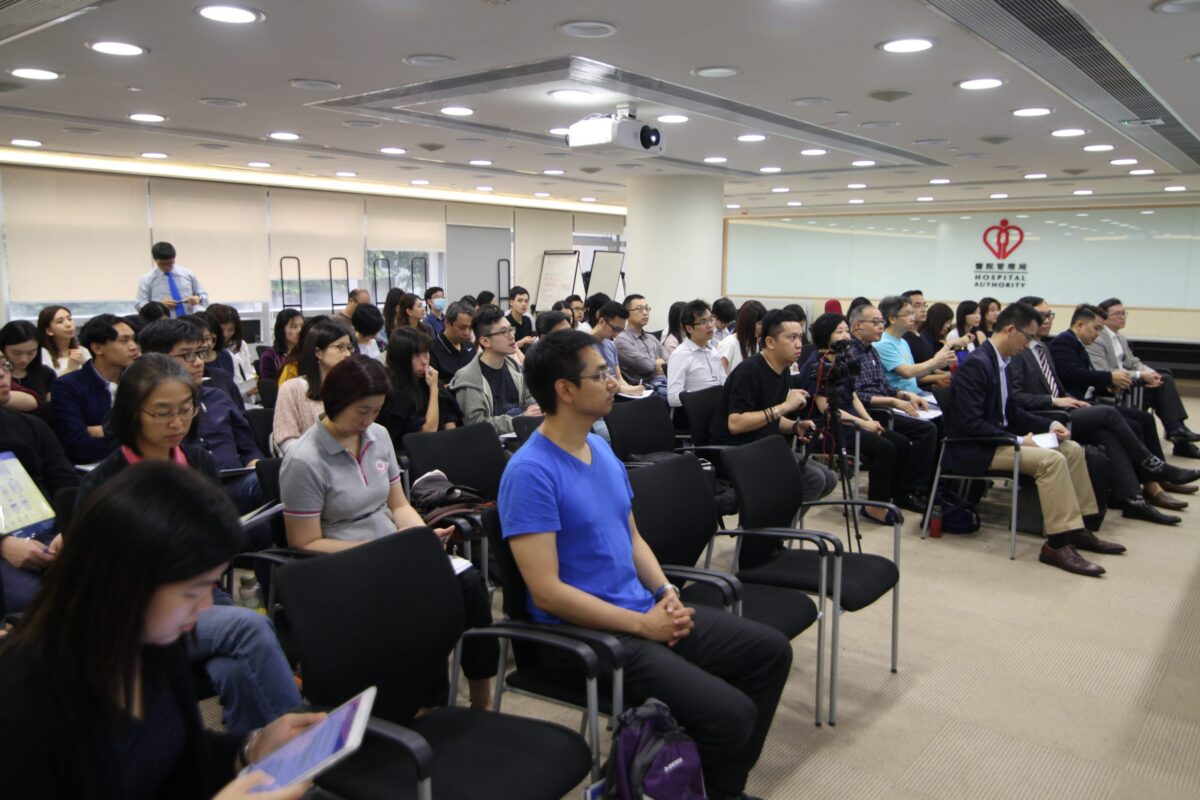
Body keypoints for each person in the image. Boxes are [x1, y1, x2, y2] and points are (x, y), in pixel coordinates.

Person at [498, 329, 792, 800]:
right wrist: (643, 624)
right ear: (565, 390)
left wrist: (665, 593)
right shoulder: (531, 472)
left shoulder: (600, 449)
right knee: (730, 714)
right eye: (600, 375)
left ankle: (715, 789)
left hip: (640, 611)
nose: (613, 382)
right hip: (583, 636)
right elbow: (547, 593)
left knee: (769, 653)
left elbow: (632, 537)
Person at [0, 459, 319, 799]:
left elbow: (175, 756)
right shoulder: (23, 701)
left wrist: (251, 748)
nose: (205, 606)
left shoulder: (155, 641)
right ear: (126, 583)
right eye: (192, 592)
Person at [73, 354, 304, 736]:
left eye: (186, 409)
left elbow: (217, 535)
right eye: (163, 413)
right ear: (131, 412)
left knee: (235, 669)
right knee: (249, 627)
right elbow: (94, 577)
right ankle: (305, 745)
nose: (177, 423)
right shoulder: (105, 482)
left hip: (204, 597)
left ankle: (253, 759)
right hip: (139, 612)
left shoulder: (196, 461)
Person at [280, 355, 495, 709]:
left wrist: (421, 539)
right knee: (420, 604)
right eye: (361, 411)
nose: (368, 421)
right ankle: (427, 704)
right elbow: (304, 541)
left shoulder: (377, 436)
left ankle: (481, 701)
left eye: (376, 411)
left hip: (393, 550)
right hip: (344, 561)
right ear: (335, 402)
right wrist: (379, 551)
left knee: (469, 585)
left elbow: (398, 505)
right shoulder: (304, 459)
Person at [945, 303, 1124, 577]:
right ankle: (1056, 545)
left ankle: (1077, 528)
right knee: (1051, 460)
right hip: (976, 447)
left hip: (998, 440)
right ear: (1009, 330)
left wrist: (1050, 424)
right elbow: (969, 424)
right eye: (1027, 336)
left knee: (1071, 449)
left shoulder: (1002, 362)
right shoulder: (977, 365)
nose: (1029, 344)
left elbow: (1012, 411)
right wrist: (1018, 440)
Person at [1009, 298, 1199, 523]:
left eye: (1050, 315)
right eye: (1042, 315)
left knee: (1109, 434)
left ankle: (1133, 499)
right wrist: (1055, 401)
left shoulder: (1042, 348)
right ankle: (1153, 465)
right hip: (1046, 415)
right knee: (1109, 414)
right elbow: (1016, 398)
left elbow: (1057, 385)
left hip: (1065, 407)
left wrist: (1069, 398)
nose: (1047, 320)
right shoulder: (1020, 352)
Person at [709, 308, 838, 549]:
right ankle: (765, 540)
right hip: (736, 453)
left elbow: (770, 418)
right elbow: (736, 424)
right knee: (814, 479)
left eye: (800, 337)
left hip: (763, 448)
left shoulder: (782, 369)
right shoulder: (749, 371)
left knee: (829, 478)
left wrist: (795, 426)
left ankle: (771, 531)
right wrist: (784, 407)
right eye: (792, 338)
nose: (799, 344)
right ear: (770, 342)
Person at [138, 320, 265, 515]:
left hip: (239, 480)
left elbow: (249, 448)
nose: (198, 362)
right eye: (187, 355)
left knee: (279, 477)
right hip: (188, 493)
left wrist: (255, 466)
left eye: (200, 353)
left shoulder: (218, 397)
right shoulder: (145, 408)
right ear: (157, 360)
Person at [798, 313, 913, 523]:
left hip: (852, 421)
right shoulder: (818, 366)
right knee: (885, 448)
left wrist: (869, 420)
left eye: (846, 331)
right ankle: (874, 508)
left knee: (901, 443)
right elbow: (828, 410)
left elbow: (853, 396)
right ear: (825, 335)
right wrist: (863, 424)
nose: (846, 336)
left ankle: (891, 497)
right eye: (839, 332)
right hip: (830, 428)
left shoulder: (843, 359)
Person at [0, 359, 79, 615]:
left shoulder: (31, 426)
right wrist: (3, 544)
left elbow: (67, 483)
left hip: (51, 533)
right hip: (6, 544)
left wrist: (66, 530)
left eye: (3, 365)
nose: (2, 374)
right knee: (31, 600)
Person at [846, 303, 938, 510]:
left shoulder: (871, 350)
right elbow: (857, 395)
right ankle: (911, 490)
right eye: (875, 322)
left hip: (886, 404)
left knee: (935, 422)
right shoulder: (850, 354)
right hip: (871, 411)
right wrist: (894, 401)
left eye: (881, 321)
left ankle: (916, 488)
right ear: (858, 326)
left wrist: (904, 395)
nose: (881, 326)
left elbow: (884, 386)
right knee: (926, 431)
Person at [1088, 297, 1199, 456]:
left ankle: (1177, 432)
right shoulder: (1097, 339)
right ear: (1104, 317)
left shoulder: (1120, 337)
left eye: (1124, 313)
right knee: (1163, 383)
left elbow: (1133, 362)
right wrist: (1141, 375)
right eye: (1117, 314)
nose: (1122, 317)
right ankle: (1178, 435)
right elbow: (1105, 371)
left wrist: (1151, 373)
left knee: (1163, 376)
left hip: (1129, 381)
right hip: (1115, 386)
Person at [49, 313, 139, 464]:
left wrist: (104, 431)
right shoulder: (67, 386)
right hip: (95, 467)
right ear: (97, 348)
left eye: (133, 339)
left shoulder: (139, 380)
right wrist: (132, 438)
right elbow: (78, 445)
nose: (133, 347)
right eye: (124, 341)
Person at [448, 306, 540, 435]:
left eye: (511, 330)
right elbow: (476, 424)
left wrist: (536, 409)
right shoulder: (469, 379)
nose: (512, 336)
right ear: (485, 341)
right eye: (504, 332)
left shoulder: (515, 368)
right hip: (492, 442)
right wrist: (520, 419)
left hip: (521, 434)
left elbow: (528, 399)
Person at [273, 320, 353, 453]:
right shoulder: (292, 389)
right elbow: (286, 441)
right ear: (318, 352)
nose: (347, 354)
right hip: (309, 460)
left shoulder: (352, 387)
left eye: (349, 348)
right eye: (340, 347)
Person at [380, 327, 462, 446]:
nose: (424, 361)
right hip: (409, 451)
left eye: (426, 353)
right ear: (402, 358)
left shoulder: (428, 380)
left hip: (440, 446)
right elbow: (427, 432)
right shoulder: (394, 390)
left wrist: (451, 444)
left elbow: (449, 419)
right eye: (417, 355)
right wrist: (433, 389)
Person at [874, 295, 957, 398]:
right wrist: (935, 361)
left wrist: (936, 365)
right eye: (907, 314)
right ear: (892, 319)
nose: (912, 317)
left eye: (912, 313)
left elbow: (915, 375)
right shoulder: (884, 343)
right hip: (901, 397)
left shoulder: (903, 342)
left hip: (916, 393)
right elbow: (907, 372)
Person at [666, 299, 725, 407]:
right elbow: (673, 398)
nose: (710, 325)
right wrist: (706, 397)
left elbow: (724, 383)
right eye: (703, 322)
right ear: (689, 328)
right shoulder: (680, 355)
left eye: (711, 319)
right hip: (698, 411)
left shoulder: (713, 351)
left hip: (719, 407)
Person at [135, 241, 207, 317]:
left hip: (189, 319)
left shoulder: (188, 274)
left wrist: (198, 298)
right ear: (155, 260)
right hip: (163, 321)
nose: (167, 267)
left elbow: (203, 295)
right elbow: (140, 304)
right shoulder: (147, 279)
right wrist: (159, 306)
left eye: (170, 263)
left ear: (174, 258)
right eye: (162, 264)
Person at [590, 301, 644, 394]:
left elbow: (619, 379)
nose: (617, 334)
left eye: (621, 330)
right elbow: (594, 383)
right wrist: (627, 390)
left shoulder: (611, 345)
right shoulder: (584, 345)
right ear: (602, 321)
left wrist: (633, 389)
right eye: (616, 329)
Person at [208, 304, 258, 401]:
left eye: (230, 330)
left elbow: (247, 373)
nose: (225, 334)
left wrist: (251, 389)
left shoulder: (241, 345)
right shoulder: (207, 351)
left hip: (243, 399)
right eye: (221, 329)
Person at [1, 321, 57, 401]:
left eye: (31, 353)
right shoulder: (2, 376)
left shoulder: (47, 373)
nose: (24, 359)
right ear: (2, 349)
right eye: (16, 353)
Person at [428, 300, 476, 383]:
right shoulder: (431, 350)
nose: (467, 333)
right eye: (462, 328)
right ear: (447, 323)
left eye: (470, 328)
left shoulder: (470, 347)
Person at [37, 304, 89, 376]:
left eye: (69, 319)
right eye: (60, 321)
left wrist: (86, 365)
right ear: (49, 330)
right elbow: (46, 382)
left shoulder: (82, 350)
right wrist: (69, 369)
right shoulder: (42, 353)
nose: (68, 324)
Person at [719, 300, 765, 375]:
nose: (762, 328)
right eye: (759, 324)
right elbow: (719, 376)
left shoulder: (754, 345)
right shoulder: (730, 343)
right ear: (748, 322)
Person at [258, 309, 303, 384]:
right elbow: (270, 387)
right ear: (281, 329)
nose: (299, 330)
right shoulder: (269, 356)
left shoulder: (308, 352)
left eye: (302, 326)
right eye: (294, 326)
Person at [506, 285, 536, 351]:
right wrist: (520, 343)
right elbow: (502, 348)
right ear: (511, 302)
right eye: (520, 300)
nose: (523, 304)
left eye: (526, 301)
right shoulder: (505, 322)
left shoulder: (527, 320)